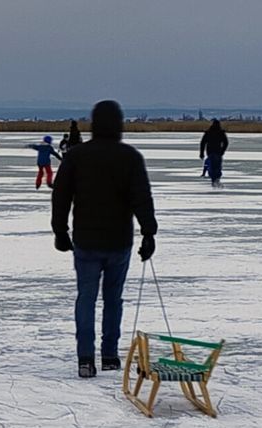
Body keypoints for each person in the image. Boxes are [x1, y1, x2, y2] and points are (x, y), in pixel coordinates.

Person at [51, 100, 158, 378]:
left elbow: (60, 196)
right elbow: (141, 199)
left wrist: (60, 231)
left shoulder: (77, 156)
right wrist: (148, 232)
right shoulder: (130, 157)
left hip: (86, 241)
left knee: (86, 298)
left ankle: (85, 358)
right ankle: (109, 354)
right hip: (119, 241)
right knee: (113, 299)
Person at [199, 119, 228, 187]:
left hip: (211, 152)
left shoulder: (208, 132)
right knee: (217, 166)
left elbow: (202, 143)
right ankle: (216, 179)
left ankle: (214, 180)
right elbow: (226, 143)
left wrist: (201, 153)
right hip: (218, 152)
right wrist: (222, 151)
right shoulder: (221, 133)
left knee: (212, 167)